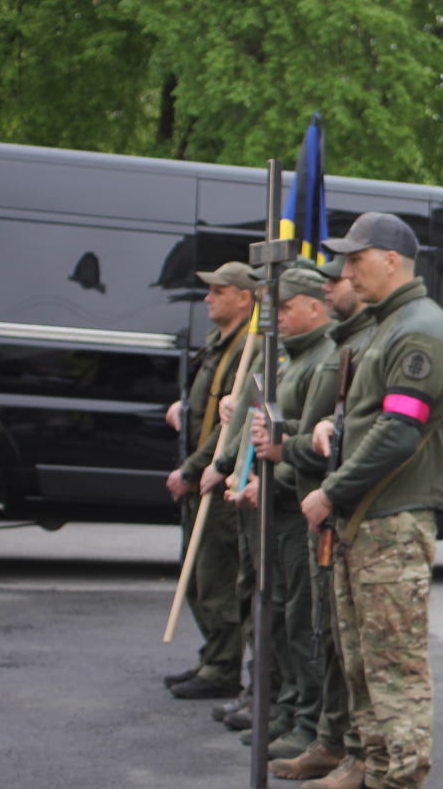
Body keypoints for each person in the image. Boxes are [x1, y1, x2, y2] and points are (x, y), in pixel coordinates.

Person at [302, 213, 443, 789]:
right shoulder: (388, 323)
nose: (346, 271)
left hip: (391, 522)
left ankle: (398, 777)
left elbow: (399, 430)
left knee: (394, 666)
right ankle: (368, 766)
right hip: (367, 520)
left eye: (355, 258)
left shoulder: (418, 328)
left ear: (391, 260)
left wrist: (331, 491)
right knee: (361, 661)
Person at [212, 264, 336, 758]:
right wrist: (239, 473)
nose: (276, 317)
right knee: (280, 612)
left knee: (302, 616)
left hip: (292, 506)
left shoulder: (320, 357)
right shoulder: (293, 357)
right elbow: (261, 426)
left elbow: (305, 442)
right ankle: (289, 708)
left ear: (314, 305)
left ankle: (306, 717)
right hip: (272, 500)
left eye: (286, 307)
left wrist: (273, 481)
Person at [272, 254, 378, 788]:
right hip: (323, 506)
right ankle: (332, 739)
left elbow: (374, 433)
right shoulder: (345, 343)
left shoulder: (365, 341)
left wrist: (291, 446)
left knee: (345, 643)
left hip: (345, 508)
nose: (338, 283)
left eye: (339, 276)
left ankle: (354, 749)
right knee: (328, 636)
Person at [163, 260, 256, 701]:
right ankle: (211, 657)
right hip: (206, 472)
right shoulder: (218, 345)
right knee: (198, 574)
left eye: (218, 291)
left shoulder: (246, 349)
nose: (207, 298)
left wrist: (195, 468)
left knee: (216, 577)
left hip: (217, 477)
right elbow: (208, 407)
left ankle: (222, 667)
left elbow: (230, 424)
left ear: (243, 297)